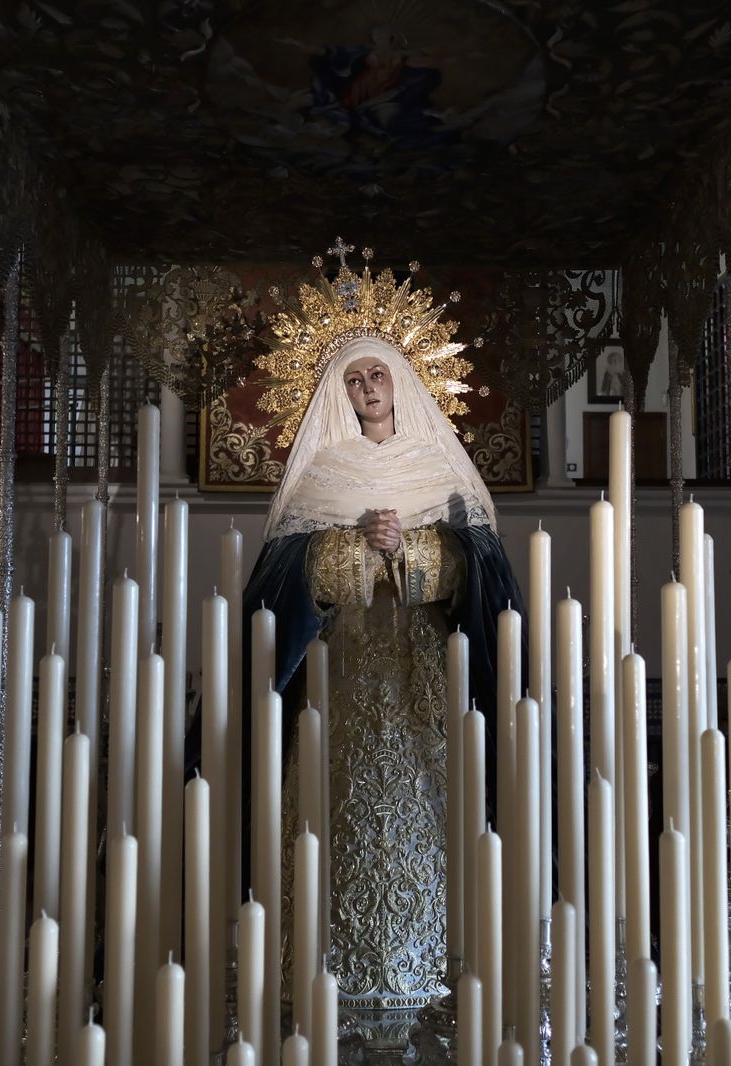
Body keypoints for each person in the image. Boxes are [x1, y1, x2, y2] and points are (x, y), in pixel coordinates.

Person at [228, 256, 522, 1020]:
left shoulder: (441, 469)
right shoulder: (321, 474)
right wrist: (355, 550)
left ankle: (446, 979)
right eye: (354, 379)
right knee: (331, 810)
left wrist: (414, 551)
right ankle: (323, 976)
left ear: (401, 383)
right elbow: (285, 577)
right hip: (341, 677)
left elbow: (480, 569)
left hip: (431, 679)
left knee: (440, 807)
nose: (366, 388)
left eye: (377, 375)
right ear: (339, 393)